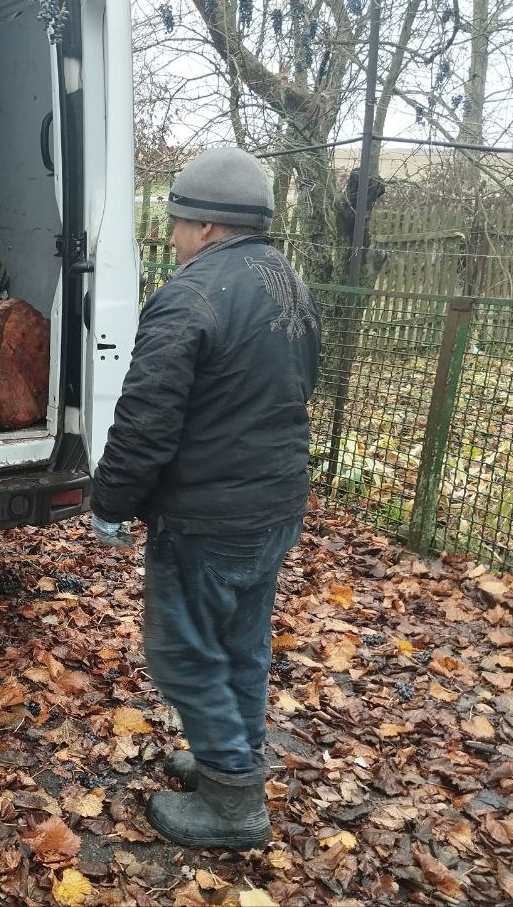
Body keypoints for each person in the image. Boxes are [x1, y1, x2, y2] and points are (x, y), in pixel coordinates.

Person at [90, 147, 321, 849]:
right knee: (241, 644)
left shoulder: (189, 294)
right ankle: (232, 760)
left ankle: (232, 805)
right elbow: (301, 385)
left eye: (178, 219)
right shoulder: (287, 280)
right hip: (274, 506)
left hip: (208, 518)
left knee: (184, 652)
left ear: (207, 225)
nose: (172, 233)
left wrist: (109, 501)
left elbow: (145, 417)